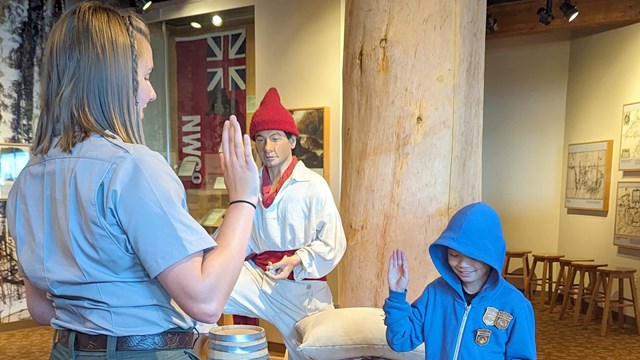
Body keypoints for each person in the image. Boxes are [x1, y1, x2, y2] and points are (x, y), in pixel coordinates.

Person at [6, 2, 259, 359]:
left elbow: (41, 309)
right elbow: (205, 300)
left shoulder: (27, 180)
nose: (151, 93)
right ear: (112, 79)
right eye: (144, 75)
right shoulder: (132, 168)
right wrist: (244, 199)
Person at [197, 87, 346, 360]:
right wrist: (202, 253)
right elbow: (235, 235)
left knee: (317, 353)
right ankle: (192, 354)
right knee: (198, 302)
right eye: (261, 139)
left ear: (292, 140)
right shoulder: (250, 185)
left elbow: (333, 243)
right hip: (257, 278)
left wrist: (297, 260)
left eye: (276, 138)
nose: (267, 148)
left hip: (302, 290)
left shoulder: (313, 186)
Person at [383, 202, 536, 359]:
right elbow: (400, 340)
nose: (463, 264)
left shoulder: (516, 305)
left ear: (491, 255)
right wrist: (397, 294)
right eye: (454, 255)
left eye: (473, 256)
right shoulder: (435, 293)